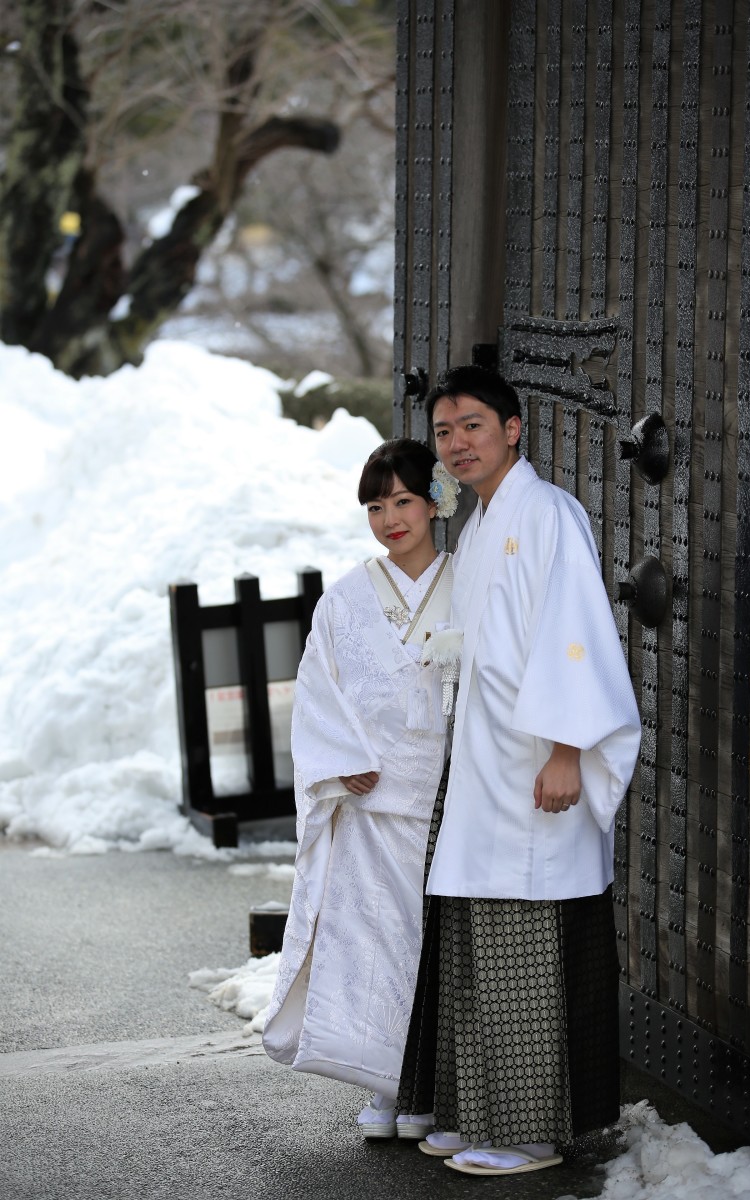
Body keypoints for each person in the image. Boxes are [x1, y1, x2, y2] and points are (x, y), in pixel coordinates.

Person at [395, 365, 642, 1176]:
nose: (457, 443)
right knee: (476, 934)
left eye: (472, 425)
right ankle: (480, 1114)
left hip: (537, 761)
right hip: (486, 757)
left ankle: (533, 1130)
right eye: (444, 431)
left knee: (526, 941)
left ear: (513, 428)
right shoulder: (477, 525)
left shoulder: (548, 513)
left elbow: (574, 632)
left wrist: (569, 748)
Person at [262, 437, 459, 1142]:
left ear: (435, 502)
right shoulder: (345, 599)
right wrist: (341, 761)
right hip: (370, 800)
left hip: (446, 798)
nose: (390, 519)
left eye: (403, 501)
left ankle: (431, 1090)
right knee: (371, 946)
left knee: (436, 947)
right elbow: (316, 690)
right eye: (375, 507)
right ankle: (382, 1086)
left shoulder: (467, 584)